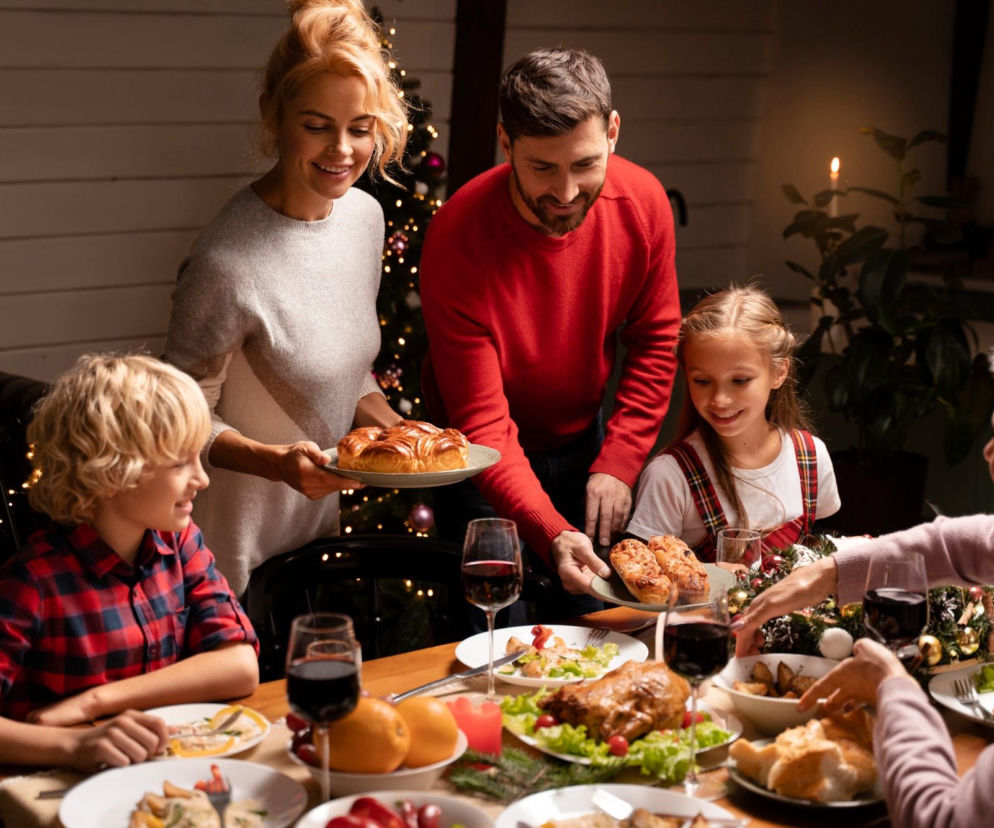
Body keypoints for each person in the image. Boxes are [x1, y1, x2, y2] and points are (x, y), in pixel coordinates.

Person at [420, 48, 682, 616]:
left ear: (613, 133)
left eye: (585, 164)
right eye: (543, 167)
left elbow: (657, 341)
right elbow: (484, 421)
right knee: (492, 635)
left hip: (583, 443)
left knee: (595, 631)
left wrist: (619, 461)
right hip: (474, 458)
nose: (565, 193)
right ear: (505, 143)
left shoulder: (643, 205)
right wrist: (547, 528)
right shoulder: (457, 237)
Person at [164, 0, 407, 597]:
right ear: (276, 117)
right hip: (224, 558)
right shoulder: (226, 262)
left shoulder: (364, 219)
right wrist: (277, 462)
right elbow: (178, 420)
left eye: (360, 128)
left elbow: (345, 368)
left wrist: (399, 433)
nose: (342, 151)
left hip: (315, 544)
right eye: (317, 125)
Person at [0, 354, 258, 770]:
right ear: (113, 470)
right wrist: (74, 747)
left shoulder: (180, 543)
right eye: (180, 462)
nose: (202, 478)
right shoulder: (33, 583)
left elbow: (240, 665)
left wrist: (94, 702)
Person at [626, 284, 841, 560]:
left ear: (779, 371)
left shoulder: (811, 457)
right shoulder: (669, 475)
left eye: (739, 381)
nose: (720, 399)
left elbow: (824, 555)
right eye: (702, 381)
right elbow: (646, 583)